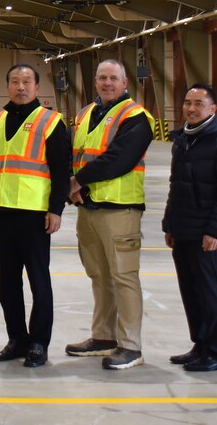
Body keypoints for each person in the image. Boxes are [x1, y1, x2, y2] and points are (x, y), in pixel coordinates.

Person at [0, 63, 71, 368]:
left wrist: (56, 209)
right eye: (15, 82)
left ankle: (39, 343)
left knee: (38, 281)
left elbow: (61, 169)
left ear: (37, 88)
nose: (21, 87)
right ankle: (17, 339)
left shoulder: (50, 121)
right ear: (7, 86)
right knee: (8, 283)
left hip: (35, 213)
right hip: (1, 211)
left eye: (27, 82)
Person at [67, 59, 154, 370]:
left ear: (125, 82)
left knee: (124, 277)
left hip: (120, 209)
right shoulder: (85, 114)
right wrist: (72, 185)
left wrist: (78, 181)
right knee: (99, 276)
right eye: (102, 77)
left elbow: (120, 158)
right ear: (95, 81)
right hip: (88, 207)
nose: (107, 83)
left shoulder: (136, 116)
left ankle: (130, 345)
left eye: (113, 78)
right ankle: (103, 336)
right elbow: (74, 153)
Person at [163, 84, 217, 372]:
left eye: (198, 103)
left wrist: (216, 231)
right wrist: (170, 224)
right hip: (183, 230)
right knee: (190, 291)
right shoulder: (182, 141)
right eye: (188, 102)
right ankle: (200, 345)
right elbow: (176, 186)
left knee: (209, 292)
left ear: (213, 109)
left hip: (205, 234)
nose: (191, 108)